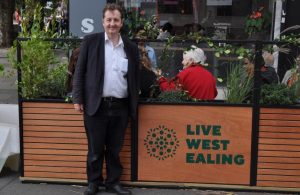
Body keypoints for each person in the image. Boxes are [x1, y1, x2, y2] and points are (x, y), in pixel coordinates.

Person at [72, 4, 139, 195]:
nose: (112, 24)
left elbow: (134, 78)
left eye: (116, 20)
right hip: (96, 105)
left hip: (121, 106)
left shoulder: (131, 48)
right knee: (95, 149)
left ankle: (113, 183)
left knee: (114, 149)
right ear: (103, 21)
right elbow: (79, 72)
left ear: (121, 22)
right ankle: (93, 182)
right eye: (109, 20)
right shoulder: (91, 42)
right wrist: (77, 99)